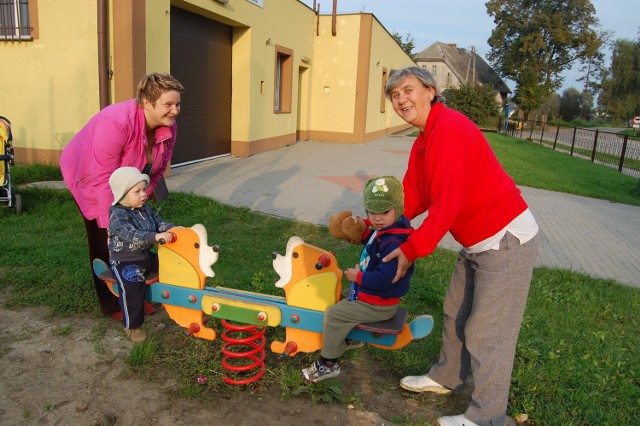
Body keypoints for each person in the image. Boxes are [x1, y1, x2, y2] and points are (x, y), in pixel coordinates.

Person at [382, 67, 539, 426]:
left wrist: (410, 249)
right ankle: (445, 377)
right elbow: (414, 195)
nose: (402, 100)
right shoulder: (423, 139)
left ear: (430, 91)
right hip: (476, 242)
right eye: (395, 95)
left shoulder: (449, 130)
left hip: (506, 240)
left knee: (487, 332)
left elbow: (446, 206)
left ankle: (487, 417)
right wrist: (381, 223)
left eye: (408, 90)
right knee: (456, 312)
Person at [60, 72, 184, 319]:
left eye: (178, 104)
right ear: (147, 103)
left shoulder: (169, 128)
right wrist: (111, 225)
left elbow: (157, 170)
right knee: (105, 240)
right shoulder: (115, 123)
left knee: (137, 233)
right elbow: (103, 178)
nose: (175, 111)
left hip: (126, 178)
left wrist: (142, 198)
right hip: (88, 174)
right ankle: (112, 303)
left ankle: (133, 290)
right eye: (168, 105)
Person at [302, 176, 414, 382]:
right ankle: (348, 337)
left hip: (378, 302)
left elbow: (384, 280)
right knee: (334, 297)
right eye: (372, 212)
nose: (378, 218)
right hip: (371, 296)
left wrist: (358, 277)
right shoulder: (385, 230)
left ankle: (328, 364)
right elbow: (371, 240)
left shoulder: (393, 242)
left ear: (397, 209)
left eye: (384, 212)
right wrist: (356, 230)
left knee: (334, 313)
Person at [108, 167, 178, 342]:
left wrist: (173, 229)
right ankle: (132, 326)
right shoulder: (118, 215)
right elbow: (129, 233)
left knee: (174, 266)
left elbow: (158, 222)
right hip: (126, 261)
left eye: (144, 190)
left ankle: (179, 301)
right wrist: (154, 237)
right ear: (123, 195)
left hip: (145, 256)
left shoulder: (144, 209)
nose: (143, 195)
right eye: (137, 191)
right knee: (132, 289)